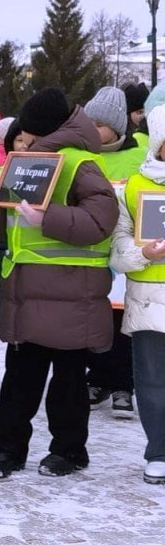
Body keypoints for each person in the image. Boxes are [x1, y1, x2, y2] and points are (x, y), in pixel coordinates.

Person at [0, 88, 118, 479]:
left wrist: (48, 218)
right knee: (19, 383)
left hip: (72, 295)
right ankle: (7, 449)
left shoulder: (80, 164)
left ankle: (69, 451)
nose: (25, 138)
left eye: (30, 131)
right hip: (27, 293)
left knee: (68, 384)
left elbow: (101, 221)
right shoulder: (27, 162)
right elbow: (13, 220)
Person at [110, 104, 165, 483]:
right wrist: (144, 253)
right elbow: (117, 249)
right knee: (152, 382)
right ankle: (159, 451)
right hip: (148, 300)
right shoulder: (133, 187)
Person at [83, 87, 143, 418]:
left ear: (118, 127)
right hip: (90, 251)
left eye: (100, 124)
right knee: (94, 321)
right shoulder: (82, 156)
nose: (93, 130)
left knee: (122, 324)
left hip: (126, 252)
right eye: (89, 123)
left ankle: (123, 386)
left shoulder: (139, 156)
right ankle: (98, 378)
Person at [124, 82, 150, 148]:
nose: (144, 116)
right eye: (140, 112)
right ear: (129, 113)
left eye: (147, 111)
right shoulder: (123, 137)